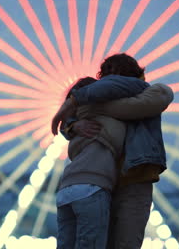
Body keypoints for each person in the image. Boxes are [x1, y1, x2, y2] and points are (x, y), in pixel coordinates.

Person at [52, 53, 174, 249]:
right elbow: (68, 126)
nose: (112, 80)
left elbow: (133, 106)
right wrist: (72, 125)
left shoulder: (152, 92)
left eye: (116, 76)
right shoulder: (95, 99)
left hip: (133, 179)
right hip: (102, 182)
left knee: (125, 242)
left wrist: (79, 106)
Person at [56, 75, 149, 249]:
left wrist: (69, 123)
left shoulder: (76, 127)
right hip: (92, 187)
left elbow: (64, 125)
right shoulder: (112, 119)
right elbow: (144, 90)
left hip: (65, 189)